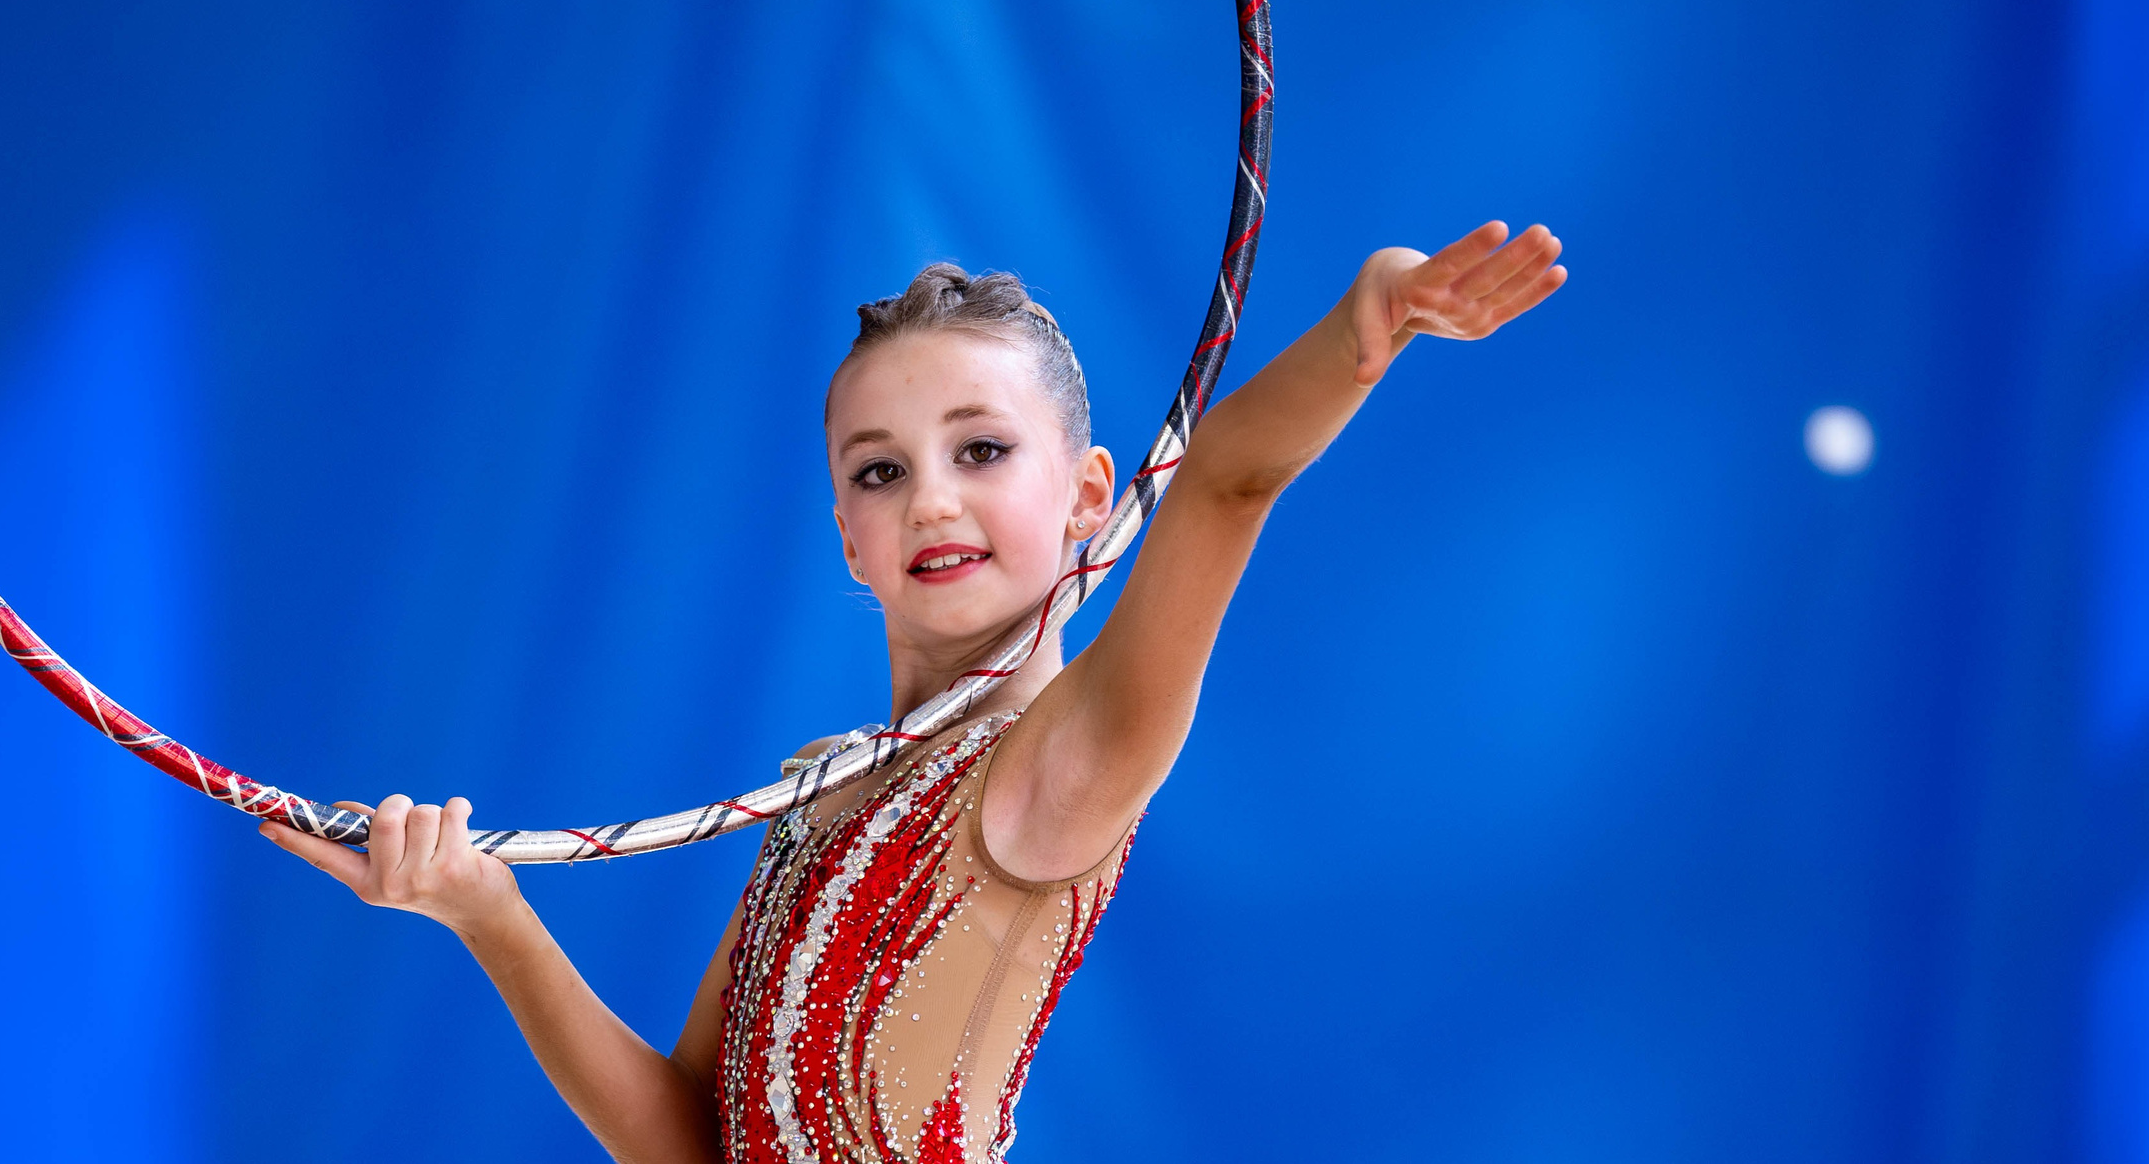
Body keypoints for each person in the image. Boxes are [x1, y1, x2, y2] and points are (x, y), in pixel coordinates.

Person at [264, 221, 1567, 1163]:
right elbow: (686, 1143)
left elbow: (1225, 479)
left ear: (1094, 497)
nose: (931, 495)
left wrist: (1368, 325)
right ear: (846, 535)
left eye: (982, 450)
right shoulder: (822, 789)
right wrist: (486, 913)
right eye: (880, 471)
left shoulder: (1065, 763)